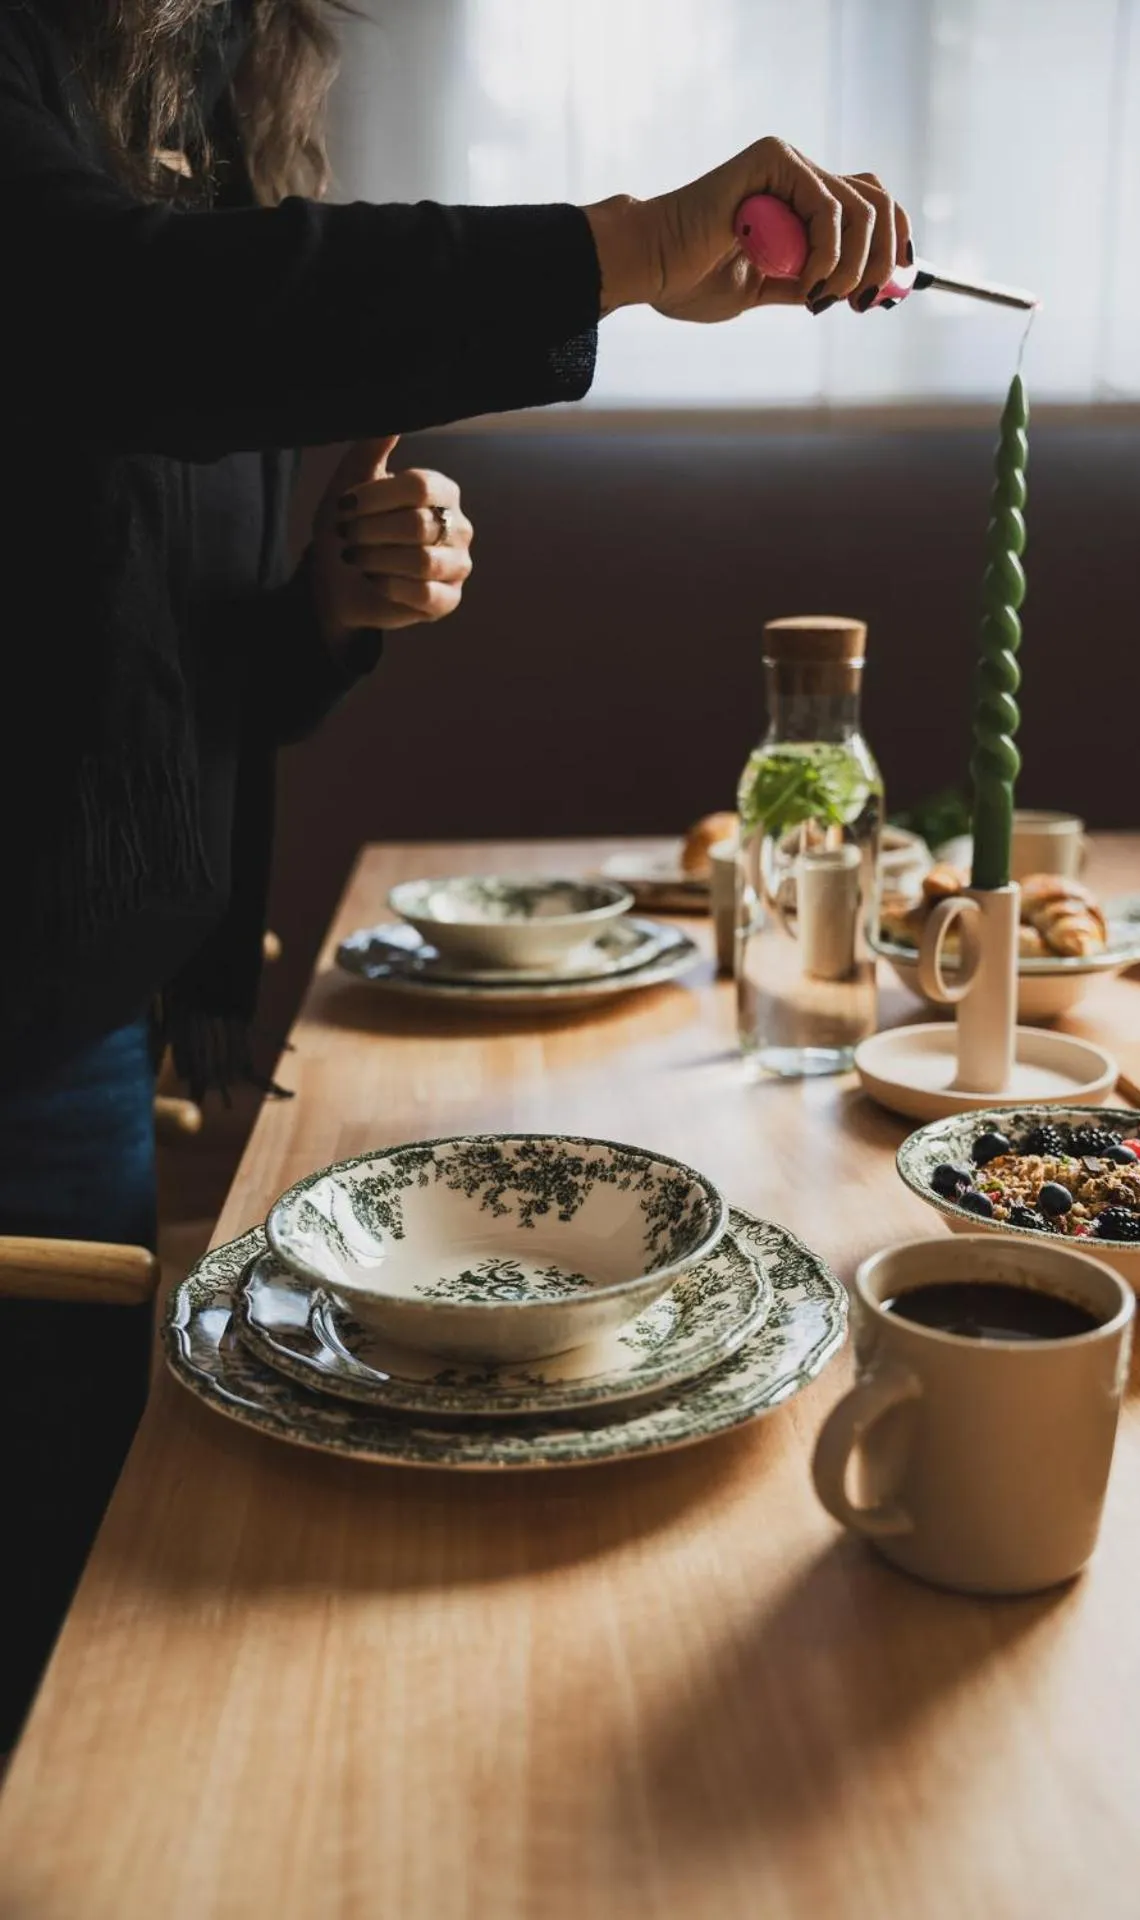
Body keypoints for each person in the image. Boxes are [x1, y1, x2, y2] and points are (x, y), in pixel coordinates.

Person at [0, 0, 911, 1745]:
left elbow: (158, 676)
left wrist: (324, 611)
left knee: (65, 1620)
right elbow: (110, 313)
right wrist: (634, 247)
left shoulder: (205, 79)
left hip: (96, 1031)